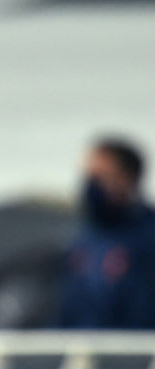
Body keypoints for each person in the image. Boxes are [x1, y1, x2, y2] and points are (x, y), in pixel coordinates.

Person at [59, 136, 155, 328]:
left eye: (100, 177)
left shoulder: (148, 236)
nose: (91, 186)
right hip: (83, 351)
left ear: (126, 179)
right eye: (89, 176)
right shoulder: (82, 238)